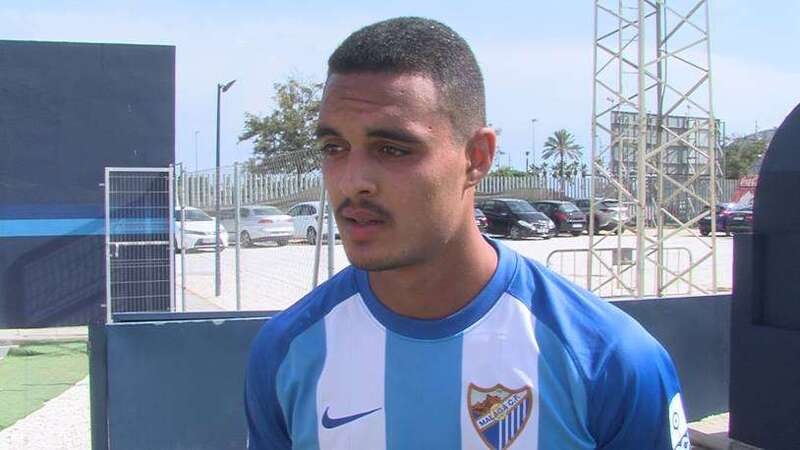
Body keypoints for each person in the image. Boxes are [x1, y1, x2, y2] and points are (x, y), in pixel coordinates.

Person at [245, 17, 689, 450]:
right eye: (334, 148)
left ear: (477, 157)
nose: (352, 179)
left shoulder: (611, 361)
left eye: (392, 149)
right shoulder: (288, 353)